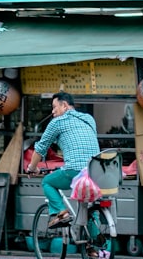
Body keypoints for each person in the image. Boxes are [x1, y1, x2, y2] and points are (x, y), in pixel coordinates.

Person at [26, 92, 100, 230]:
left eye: (54, 107)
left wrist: (31, 167)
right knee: (88, 204)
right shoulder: (89, 119)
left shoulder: (58, 122)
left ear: (64, 105)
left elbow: (40, 148)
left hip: (76, 171)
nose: (53, 112)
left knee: (47, 181)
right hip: (97, 171)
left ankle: (61, 212)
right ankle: (95, 246)